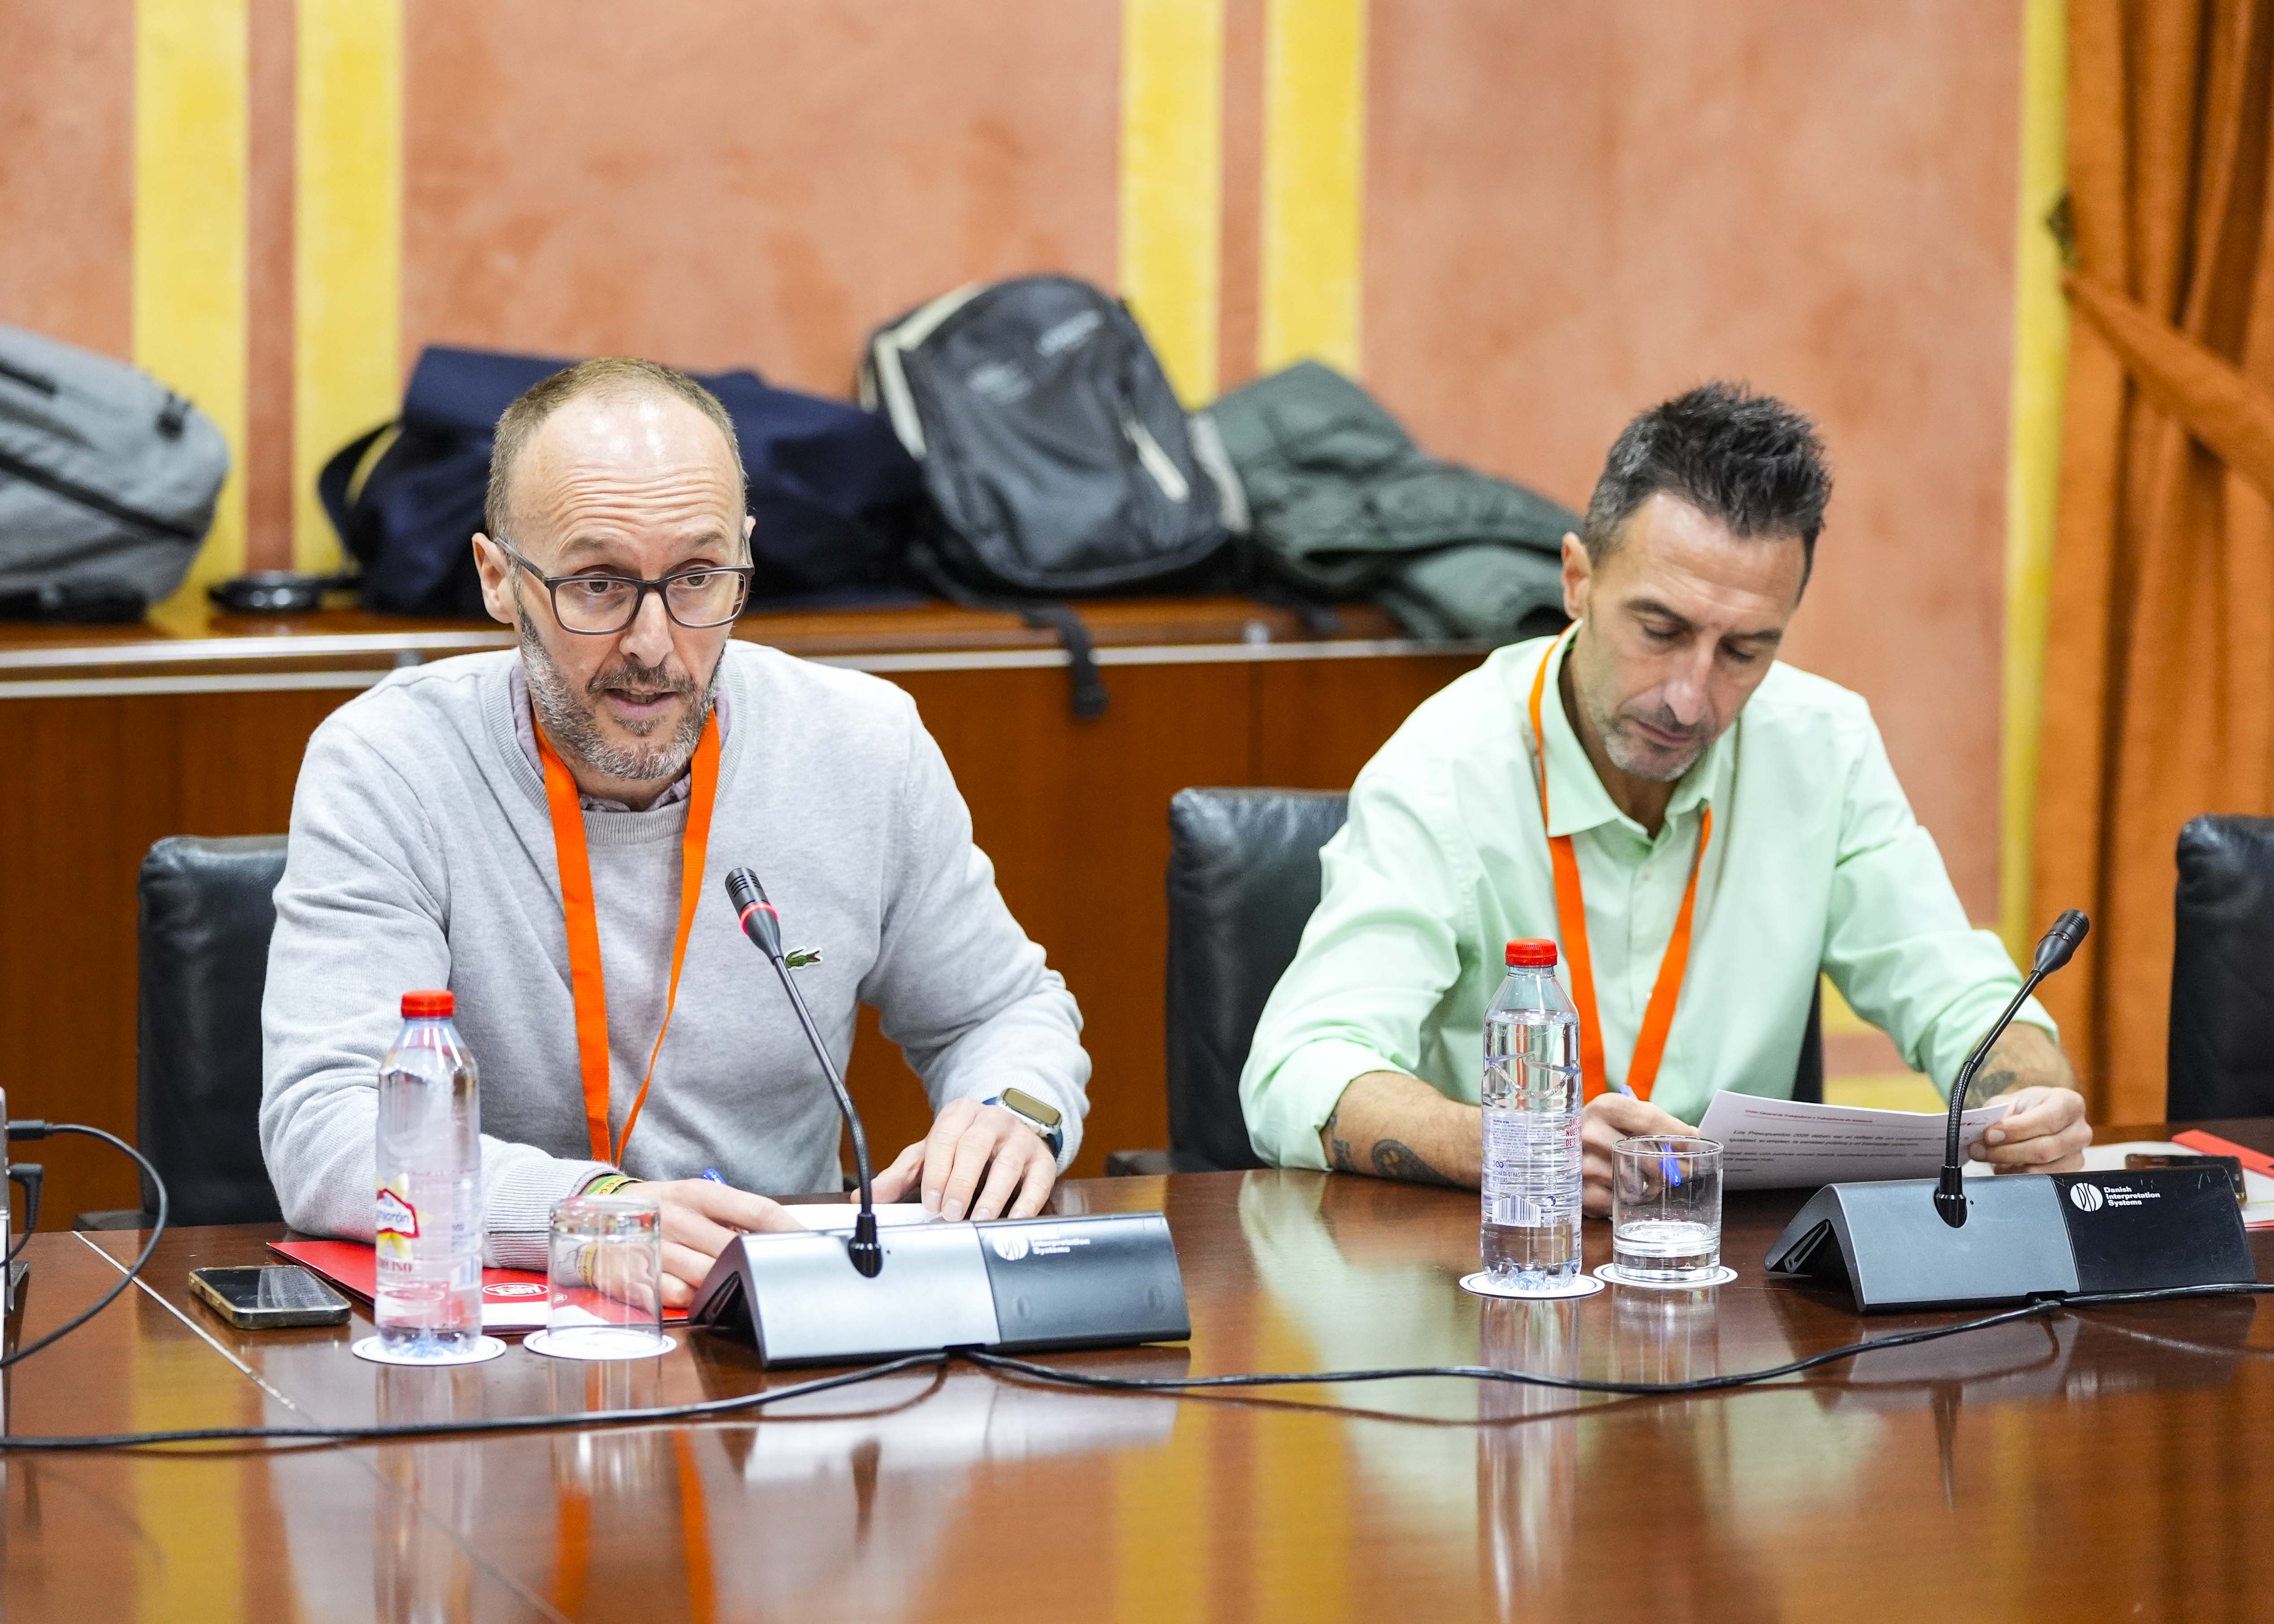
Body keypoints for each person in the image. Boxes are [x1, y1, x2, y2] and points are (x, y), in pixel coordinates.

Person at [261, 357, 1087, 1303]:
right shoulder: (390, 762)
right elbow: (325, 1125)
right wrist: (591, 1212)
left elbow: (1001, 1013)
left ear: (745, 555)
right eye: (600, 584)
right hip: (488, 1355)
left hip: (775, 1333)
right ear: (498, 579)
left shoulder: (864, 744)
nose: (654, 644)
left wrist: (1011, 1109)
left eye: (698, 577)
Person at [1239, 382, 2089, 1211]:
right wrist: (1521, 1142)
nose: (1690, 698)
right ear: (1577, 581)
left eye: (1744, 651)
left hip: (1728, 1280)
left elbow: (1958, 996)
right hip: (1493, 1274)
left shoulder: (1823, 745)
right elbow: (1300, 1069)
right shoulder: (1445, 766)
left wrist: (2033, 1098)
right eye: (1661, 631)